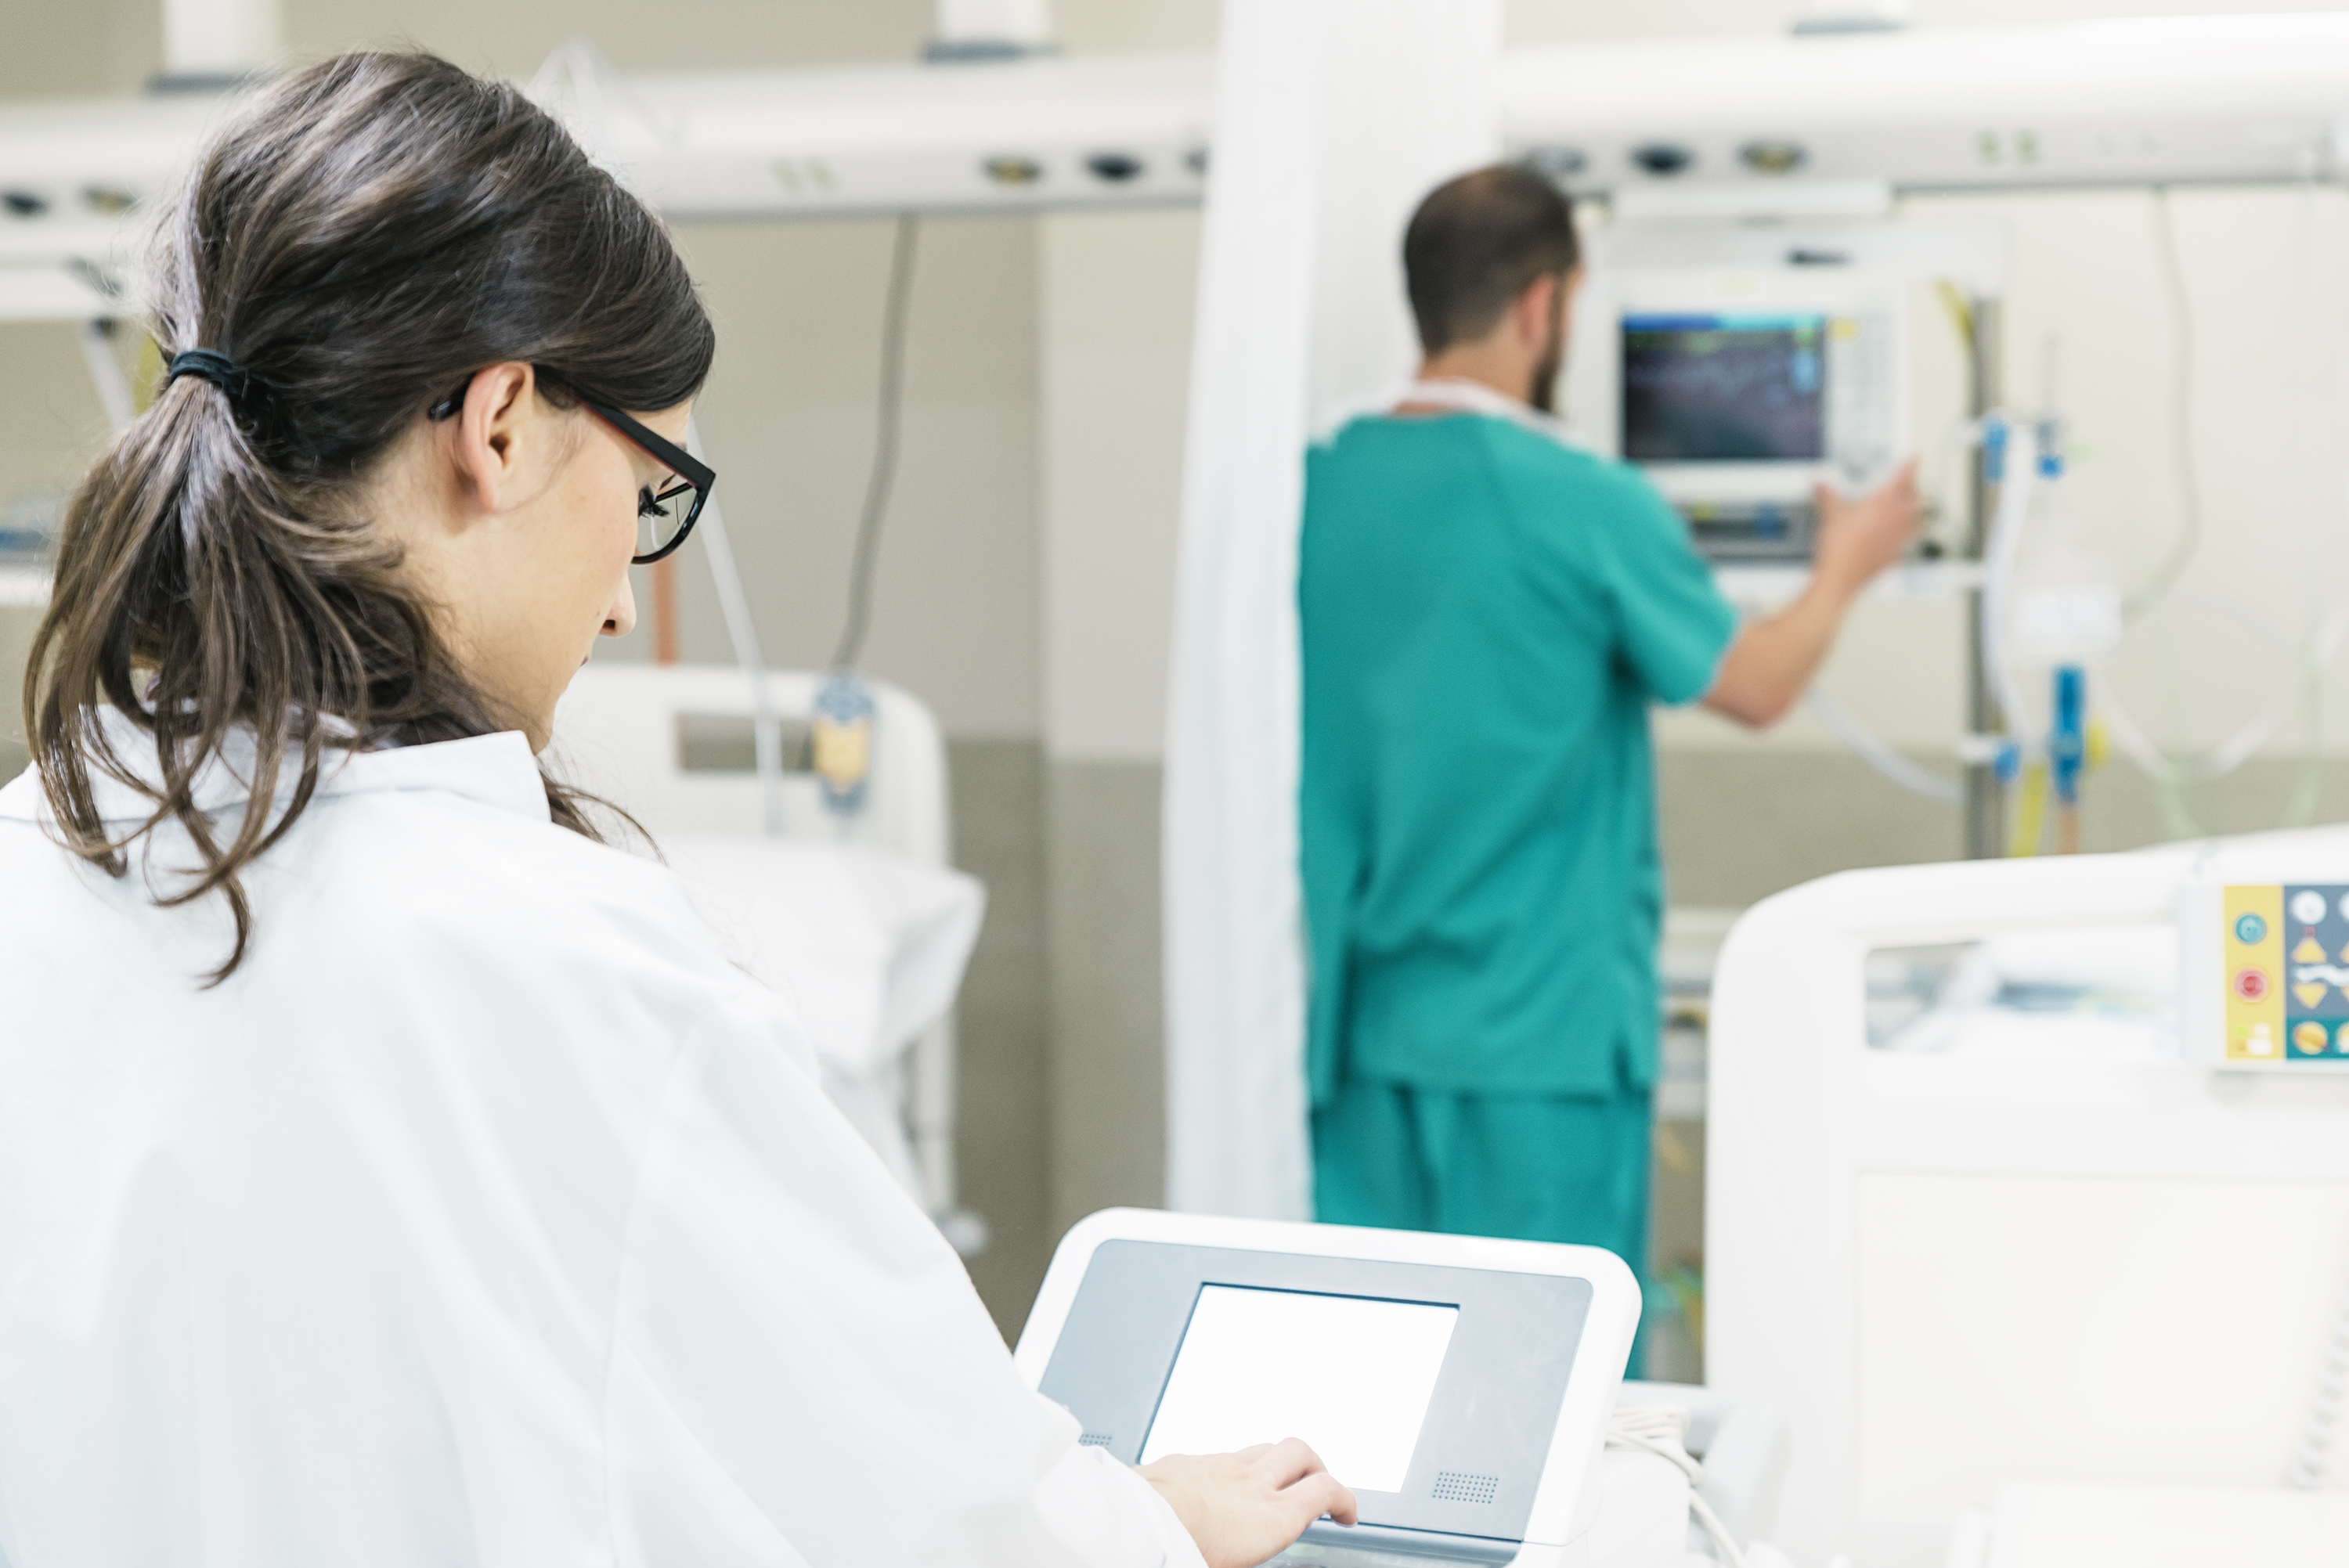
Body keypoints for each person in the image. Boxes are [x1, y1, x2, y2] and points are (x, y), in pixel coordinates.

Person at [0, 52, 1354, 1568]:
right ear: (500, 428)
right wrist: (1144, 1525)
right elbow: (937, 1525)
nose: (632, 609)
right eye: (651, 500)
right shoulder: (581, 981)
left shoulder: (27, 873)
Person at [1298, 165, 1918, 1317]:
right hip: (1540, 1052)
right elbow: (1759, 685)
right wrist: (1848, 565)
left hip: (1364, 1046)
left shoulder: (1313, 491)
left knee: (1370, 1399)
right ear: (1545, 307)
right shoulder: (1580, 498)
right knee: (1550, 1411)